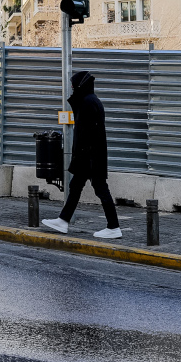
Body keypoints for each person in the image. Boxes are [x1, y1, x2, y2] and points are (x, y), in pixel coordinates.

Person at [41, 71, 121, 239]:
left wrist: (80, 156)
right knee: (76, 188)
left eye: (73, 85)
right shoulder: (91, 101)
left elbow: (85, 135)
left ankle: (113, 227)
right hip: (91, 157)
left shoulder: (87, 103)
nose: (71, 88)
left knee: (100, 190)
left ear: (80, 85)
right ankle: (63, 220)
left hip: (89, 158)